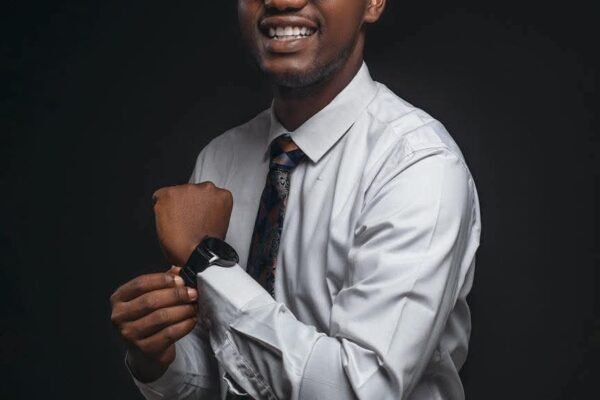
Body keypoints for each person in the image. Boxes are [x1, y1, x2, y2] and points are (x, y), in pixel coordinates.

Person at [109, 0, 481, 398]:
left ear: (373, 4)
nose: (281, 1)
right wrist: (158, 359)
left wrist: (206, 260)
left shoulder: (417, 165)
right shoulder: (219, 160)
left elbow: (360, 390)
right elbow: (228, 374)